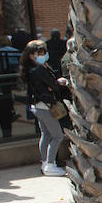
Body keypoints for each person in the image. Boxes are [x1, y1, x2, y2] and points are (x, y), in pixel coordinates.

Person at [19, 39, 70, 176]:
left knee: (46, 135)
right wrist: (56, 84)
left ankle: (46, 163)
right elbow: (53, 85)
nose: (44, 55)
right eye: (40, 52)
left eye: (44, 52)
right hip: (45, 107)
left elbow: (51, 85)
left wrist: (53, 85)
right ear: (31, 55)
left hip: (39, 106)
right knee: (58, 136)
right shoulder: (38, 70)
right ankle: (50, 164)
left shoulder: (33, 70)